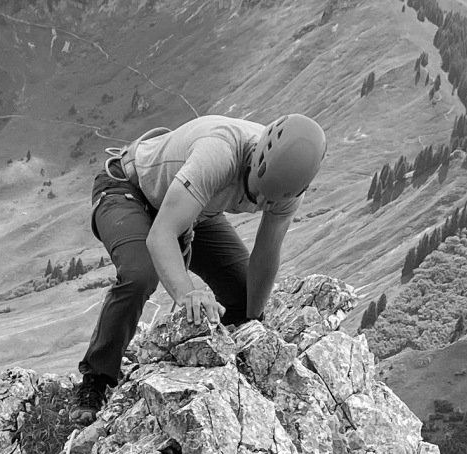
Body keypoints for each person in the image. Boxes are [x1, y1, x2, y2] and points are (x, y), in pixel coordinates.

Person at [73, 111, 327, 409]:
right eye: (261, 194)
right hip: (130, 189)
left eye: (274, 201)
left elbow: (266, 253)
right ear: (255, 163)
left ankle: (226, 353)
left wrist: (254, 321)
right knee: (140, 274)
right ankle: (96, 379)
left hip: (193, 208)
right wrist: (186, 293)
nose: (264, 205)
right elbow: (161, 236)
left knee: (246, 295)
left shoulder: (288, 186)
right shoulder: (218, 153)